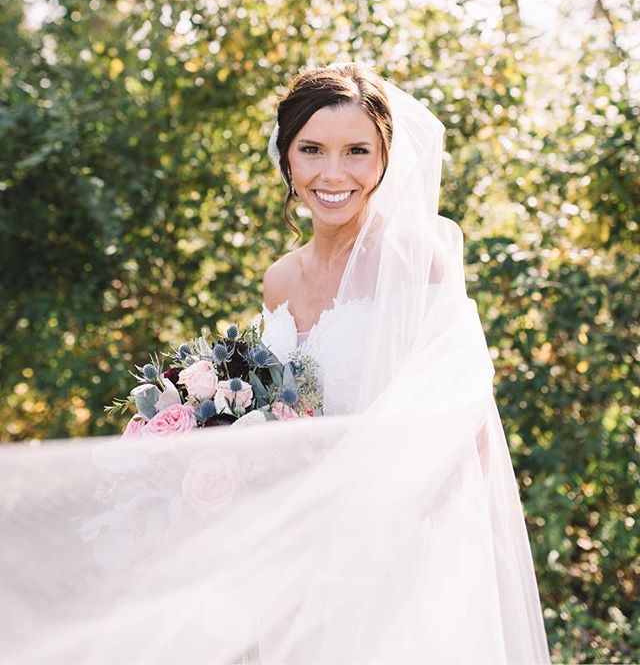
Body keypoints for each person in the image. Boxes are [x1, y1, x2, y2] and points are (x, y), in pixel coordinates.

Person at [0, 63, 551, 665]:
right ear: (286, 157)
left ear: (384, 161)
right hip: (287, 555)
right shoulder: (279, 280)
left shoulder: (420, 260)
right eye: (311, 149)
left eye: (357, 151)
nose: (333, 173)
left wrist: (356, 521)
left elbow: (459, 422)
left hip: (390, 553)